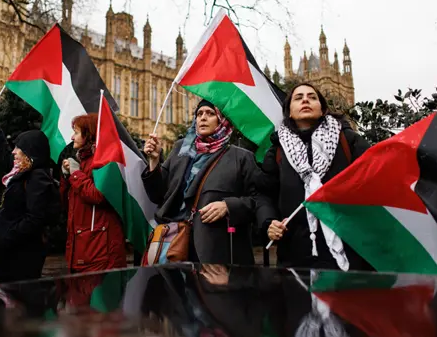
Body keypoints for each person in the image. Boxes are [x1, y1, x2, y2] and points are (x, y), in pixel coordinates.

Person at [259, 82, 372, 270]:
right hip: (295, 254)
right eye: (298, 97)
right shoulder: (278, 150)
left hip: (349, 251)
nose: (305, 100)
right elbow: (263, 193)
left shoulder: (348, 141)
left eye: (312, 97)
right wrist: (269, 222)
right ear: (289, 111)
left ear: (322, 109)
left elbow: (371, 179)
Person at [142, 99, 265, 265]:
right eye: (199, 114)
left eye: (210, 113)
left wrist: (228, 206)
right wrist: (154, 162)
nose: (203, 118)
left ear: (223, 120)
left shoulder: (241, 157)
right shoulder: (181, 149)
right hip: (175, 244)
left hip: (217, 249)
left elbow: (259, 200)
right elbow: (158, 195)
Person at [0, 110, 57, 282]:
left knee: (18, 302)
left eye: (19, 148)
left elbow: (34, 218)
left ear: (30, 153)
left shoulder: (37, 177)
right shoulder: (23, 171)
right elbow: (4, 154)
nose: (14, 152)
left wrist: (7, 236)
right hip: (12, 250)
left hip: (22, 254)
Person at [60, 113, 127, 272]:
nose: (71, 137)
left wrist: (75, 174)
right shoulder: (82, 161)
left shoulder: (104, 160)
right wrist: (65, 176)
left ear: (89, 134)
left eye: (76, 132)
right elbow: (66, 203)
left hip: (100, 251)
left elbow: (98, 195)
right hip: (84, 249)